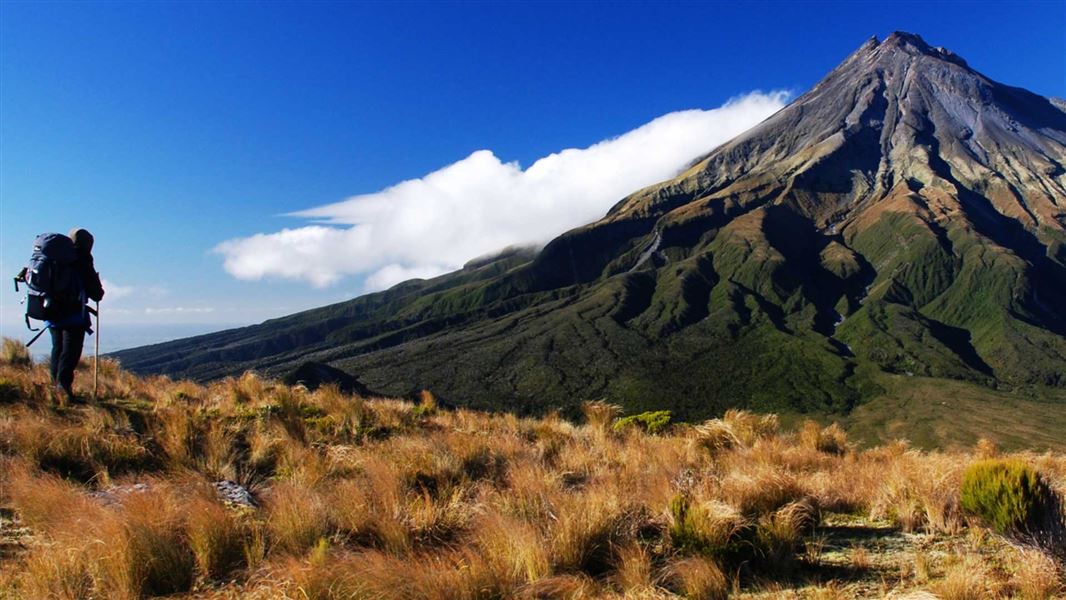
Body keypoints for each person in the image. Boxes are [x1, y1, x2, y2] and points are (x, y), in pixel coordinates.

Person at [50, 228, 104, 403]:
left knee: (57, 348)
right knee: (70, 352)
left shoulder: (56, 256)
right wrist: (97, 289)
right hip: (72, 313)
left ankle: (55, 387)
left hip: (51, 311)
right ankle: (64, 390)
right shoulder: (81, 259)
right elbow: (96, 292)